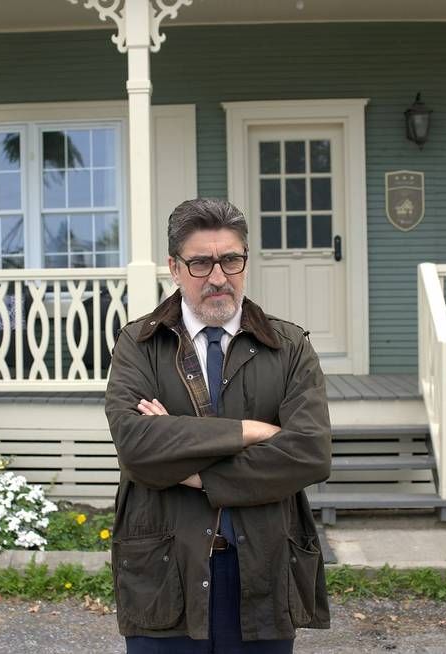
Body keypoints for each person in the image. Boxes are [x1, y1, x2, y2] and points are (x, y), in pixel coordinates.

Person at [104, 198, 332, 653]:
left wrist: (190, 470)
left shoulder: (288, 347)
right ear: (174, 267)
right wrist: (250, 431)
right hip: (165, 570)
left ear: (245, 260)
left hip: (263, 571)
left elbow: (308, 452)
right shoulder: (139, 343)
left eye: (230, 259)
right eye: (201, 263)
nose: (218, 277)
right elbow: (135, 444)